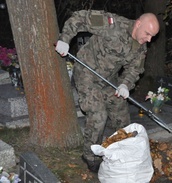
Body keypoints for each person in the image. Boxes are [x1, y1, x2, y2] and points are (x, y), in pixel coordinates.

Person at [55, 10, 159, 172]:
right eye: (147, 34)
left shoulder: (140, 46)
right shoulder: (113, 24)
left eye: (152, 36)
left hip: (109, 79)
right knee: (99, 116)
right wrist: (64, 39)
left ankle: (122, 152)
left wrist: (125, 85)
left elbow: (134, 70)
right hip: (87, 73)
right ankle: (90, 156)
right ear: (138, 24)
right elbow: (79, 17)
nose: (149, 39)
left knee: (122, 118)